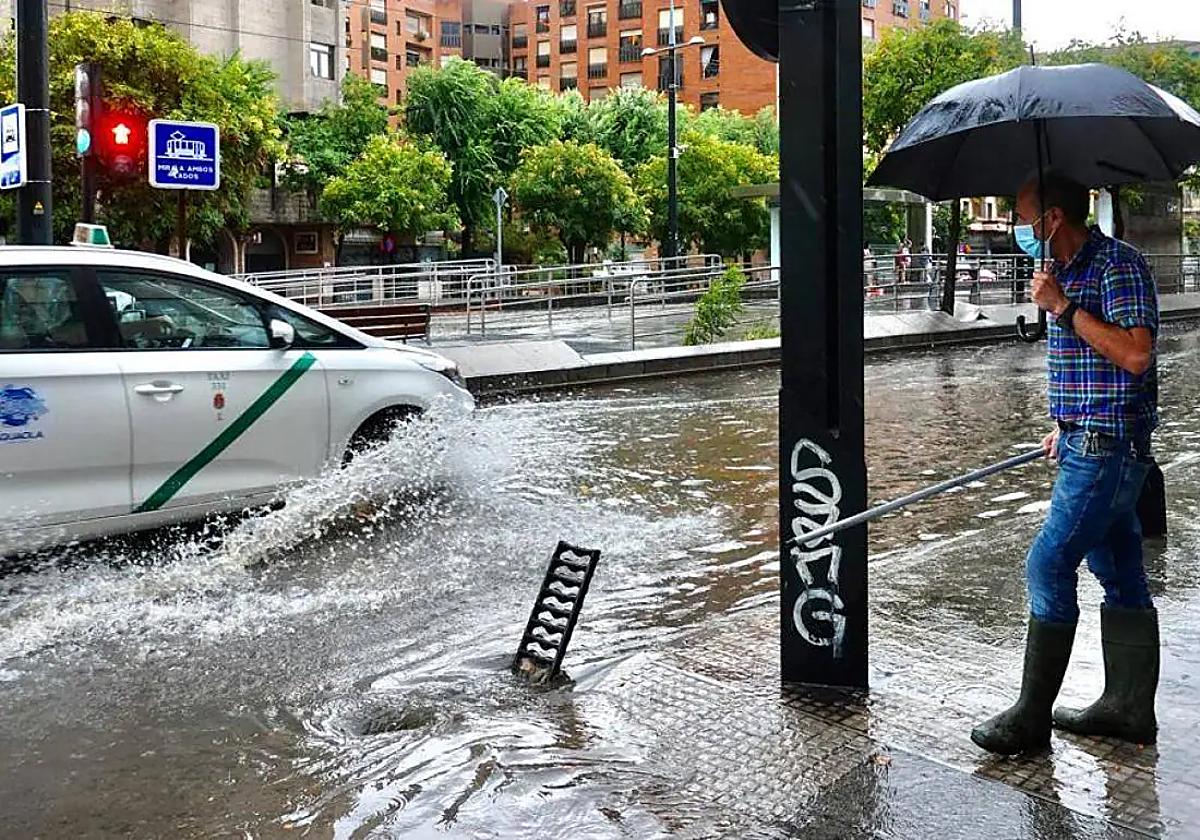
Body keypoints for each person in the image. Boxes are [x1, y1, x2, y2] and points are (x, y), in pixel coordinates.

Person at [971, 172, 1160, 755]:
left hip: (1108, 447)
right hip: (1086, 439)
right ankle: (1128, 709)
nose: (1018, 226)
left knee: (1049, 564)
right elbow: (1089, 367)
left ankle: (1031, 717)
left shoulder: (1116, 266)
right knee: (1119, 569)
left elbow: (1136, 355)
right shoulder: (1062, 271)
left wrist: (1063, 307)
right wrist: (1065, 424)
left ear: (1052, 218)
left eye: (1023, 214)